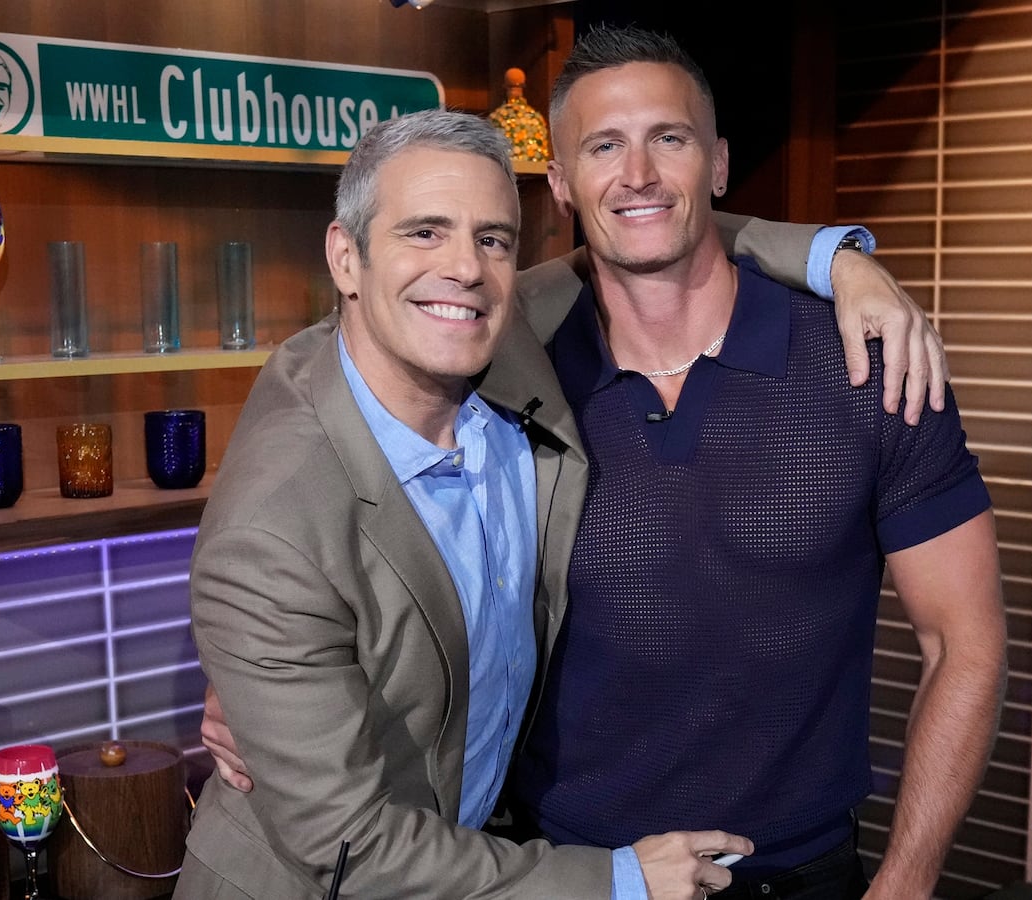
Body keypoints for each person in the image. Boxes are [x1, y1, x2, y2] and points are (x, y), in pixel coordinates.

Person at [205, 24, 1005, 900]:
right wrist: (270, 686)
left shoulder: (870, 358)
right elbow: (325, 375)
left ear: (719, 164)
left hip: (798, 872)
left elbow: (964, 643)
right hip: (557, 870)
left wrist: (909, 878)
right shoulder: (511, 358)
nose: (638, 175)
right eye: (603, 147)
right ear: (562, 186)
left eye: (671, 139)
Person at [177, 108, 754, 900]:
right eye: (424, 232)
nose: (466, 269)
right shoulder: (273, 532)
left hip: (477, 856)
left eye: (493, 239)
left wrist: (837, 258)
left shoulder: (494, 339)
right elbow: (352, 850)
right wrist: (621, 881)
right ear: (346, 259)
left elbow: (645, 239)